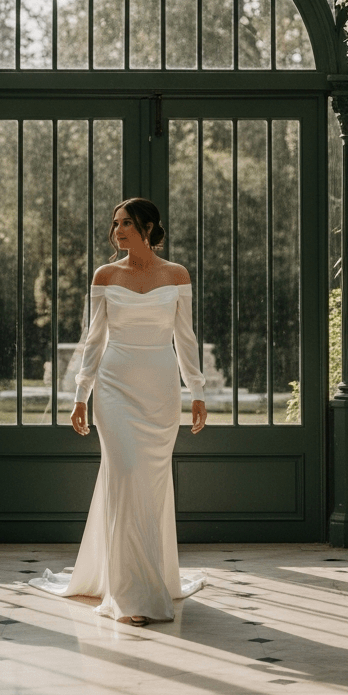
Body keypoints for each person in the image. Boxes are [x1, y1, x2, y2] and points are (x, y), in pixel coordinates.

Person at [29, 198, 207, 625]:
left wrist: (197, 390)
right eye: (115, 224)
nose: (118, 231)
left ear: (148, 227)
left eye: (127, 223)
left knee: (150, 483)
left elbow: (186, 339)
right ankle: (130, 596)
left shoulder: (177, 275)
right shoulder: (105, 275)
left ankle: (154, 576)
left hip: (161, 392)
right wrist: (80, 395)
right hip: (114, 388)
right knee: (125, 475)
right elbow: (94, 340)